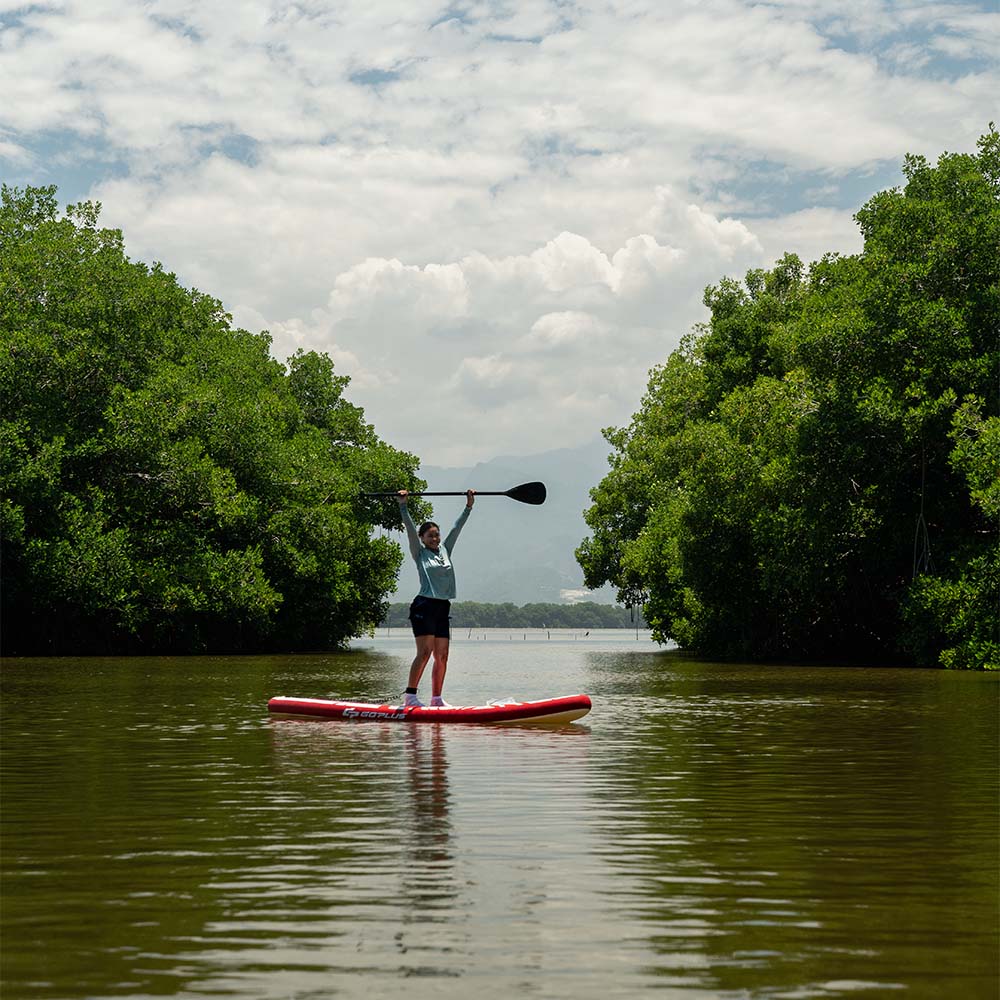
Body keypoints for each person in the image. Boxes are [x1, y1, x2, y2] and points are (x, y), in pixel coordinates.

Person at [397, 488, 475, 708]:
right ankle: (410, 697)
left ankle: (436, 699)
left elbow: (456, 529)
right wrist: (403, 505)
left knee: (442, 656)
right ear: (422, 539)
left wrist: (468, 507)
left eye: (436, 535)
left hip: (443, 607)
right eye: (430, 535)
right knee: (425, 652)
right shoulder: (419, 552)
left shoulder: (445, 550)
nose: (434, 538)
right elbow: (410, 529)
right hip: (424, 605)